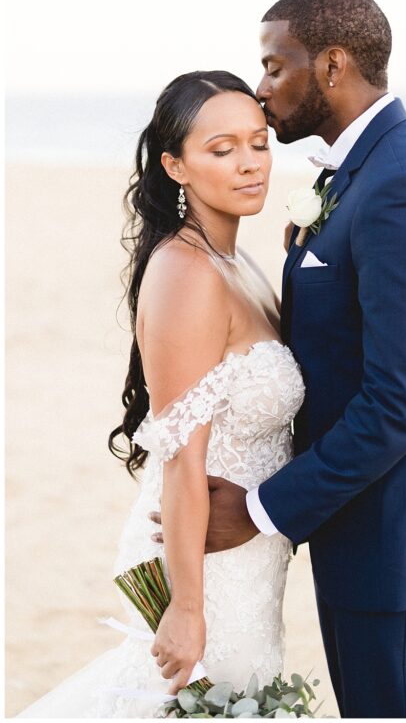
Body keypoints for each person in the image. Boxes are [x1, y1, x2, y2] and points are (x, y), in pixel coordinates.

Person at [150, 0, 406, 718]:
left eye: (276, 66)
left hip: (394, 535)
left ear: (333, 66)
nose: (263, 87)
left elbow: (400, 403)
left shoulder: (403, 184)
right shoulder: (364, 173)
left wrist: (265, 508)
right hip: (360, 529)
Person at [20, 71, 304, 717]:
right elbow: (181, 456)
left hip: (251, 561)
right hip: (200, 566)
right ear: (175, 165)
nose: (249, 163)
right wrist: (185, 605)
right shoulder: (187, 272)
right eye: (221, 148)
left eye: (258, 143)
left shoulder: (239, 262)